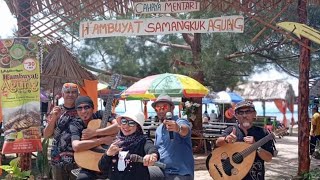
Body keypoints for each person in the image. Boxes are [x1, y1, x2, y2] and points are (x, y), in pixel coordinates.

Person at [215, 100, 274, 180]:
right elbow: (217, 142)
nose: (244, 115)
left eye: (248, 112)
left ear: (254, 114)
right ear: (235, 115)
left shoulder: (263, 133)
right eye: (240, 112)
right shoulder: (231, 130)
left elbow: (268, 158)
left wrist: (256, 146)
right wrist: (226, 139)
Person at [98, 111, 159, 180]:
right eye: (124, 121)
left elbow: (151, 148)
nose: (126, 126)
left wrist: (152, 155)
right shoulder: (115, 142)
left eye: (131, 123)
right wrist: (108, 154)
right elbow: (102, 168)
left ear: (138, 126)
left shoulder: (143, 140)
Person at [71, 96, 119, 180]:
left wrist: (95, 132)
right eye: (80, 108)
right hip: (89, 163)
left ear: (93, 108)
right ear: (77, 111)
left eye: (87, 107)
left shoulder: (100, 115)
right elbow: (76, 146)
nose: (83, 111)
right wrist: (102, 140)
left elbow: (118, 126)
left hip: (109, 161)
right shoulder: (75, 124)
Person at [152, 94, 194, 180]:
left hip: (180, 173)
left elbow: (185, 130)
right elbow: (157, 149)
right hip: (161, 171)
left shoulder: (180, 121)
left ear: (172, 108)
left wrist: (178, 129)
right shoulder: (159, 129)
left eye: (164, 107)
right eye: (158, 108)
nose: (161, 110)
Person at [43, 83, 80, 180]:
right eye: (67, 92)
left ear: (78, 95)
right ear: (62, 95)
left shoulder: (82, 110)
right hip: (58, 156)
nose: (70, 95)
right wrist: (54, 117)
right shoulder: (56, 111)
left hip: (79, 156)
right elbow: (46, 134)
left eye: (73, 92)